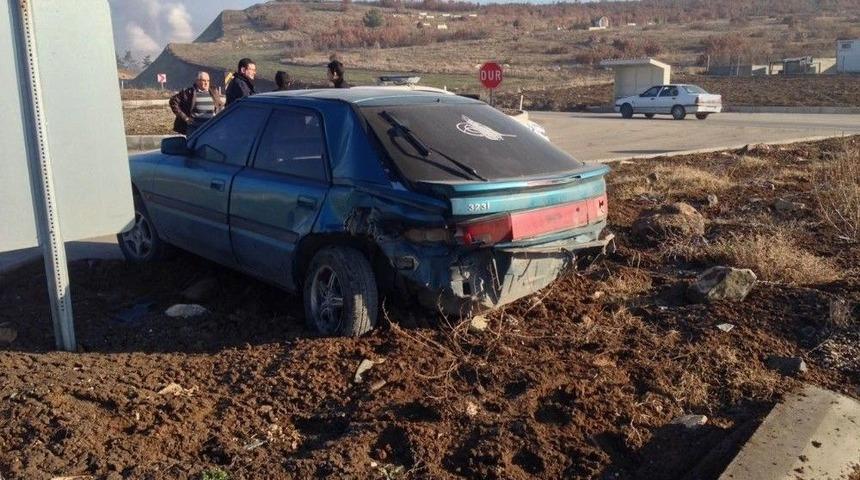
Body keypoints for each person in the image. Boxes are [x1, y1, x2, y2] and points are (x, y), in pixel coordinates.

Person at [168, 71, 223, 136]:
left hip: (210, 127)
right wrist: (185, 118)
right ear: (197, 81)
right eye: (204, 80)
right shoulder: (188, 92)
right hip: (194, 129)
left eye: (208, 81)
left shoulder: (214, 92)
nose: (206, 83)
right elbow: (173, 101)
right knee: (194, 143)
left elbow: (220, 105)